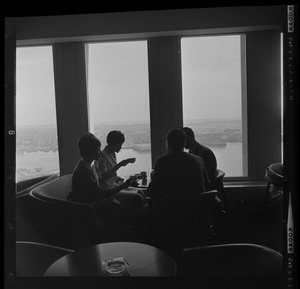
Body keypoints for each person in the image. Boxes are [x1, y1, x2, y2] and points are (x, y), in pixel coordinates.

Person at [67, 133, 144, 231]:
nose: (100, 152)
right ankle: (117, 232)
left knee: (121, 202)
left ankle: (122, 227)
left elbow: (96, 189)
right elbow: (100, 193)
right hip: (85, 206)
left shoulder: (87, 166)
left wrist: (122, 182)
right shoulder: (84, 171)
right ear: (90, 151)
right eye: (98, 150)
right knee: (117, 204)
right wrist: (124, 185)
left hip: (90, 200)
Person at [148, 128, 208, 199]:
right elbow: (207, 186)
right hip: (198, 207)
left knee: (143, 208)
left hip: (171, 208)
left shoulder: (162, 162)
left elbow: (152, 191)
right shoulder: (199, 160)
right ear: (184, 143)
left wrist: (153, 176)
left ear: (168, 144)